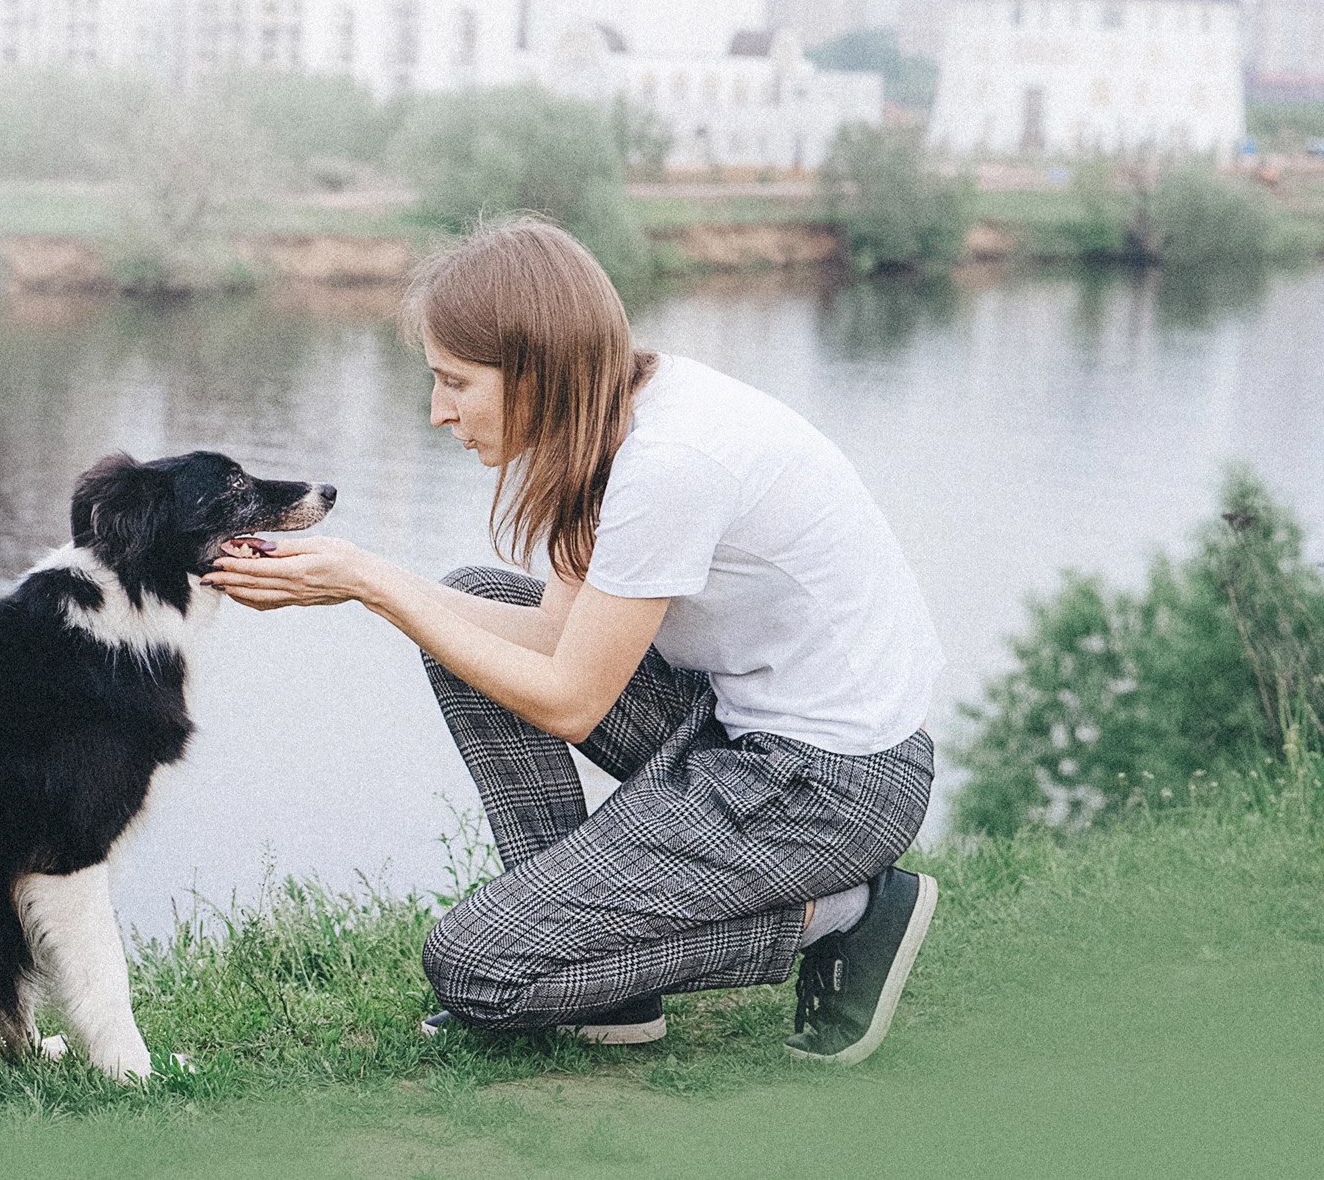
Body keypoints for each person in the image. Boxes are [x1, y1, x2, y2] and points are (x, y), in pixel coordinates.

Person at [204, 215, 945, 1065]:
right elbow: (557, 639)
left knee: (477, 970)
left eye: (455, 382)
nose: (438, 412)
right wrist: (373, 580)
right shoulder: (604, 419)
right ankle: (609, 986)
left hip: (834, 783)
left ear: (537, 370)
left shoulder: (670, 461)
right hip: (739, 728)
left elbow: (569, 697)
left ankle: (847, 913)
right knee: (467, 600)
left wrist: (367, 583)